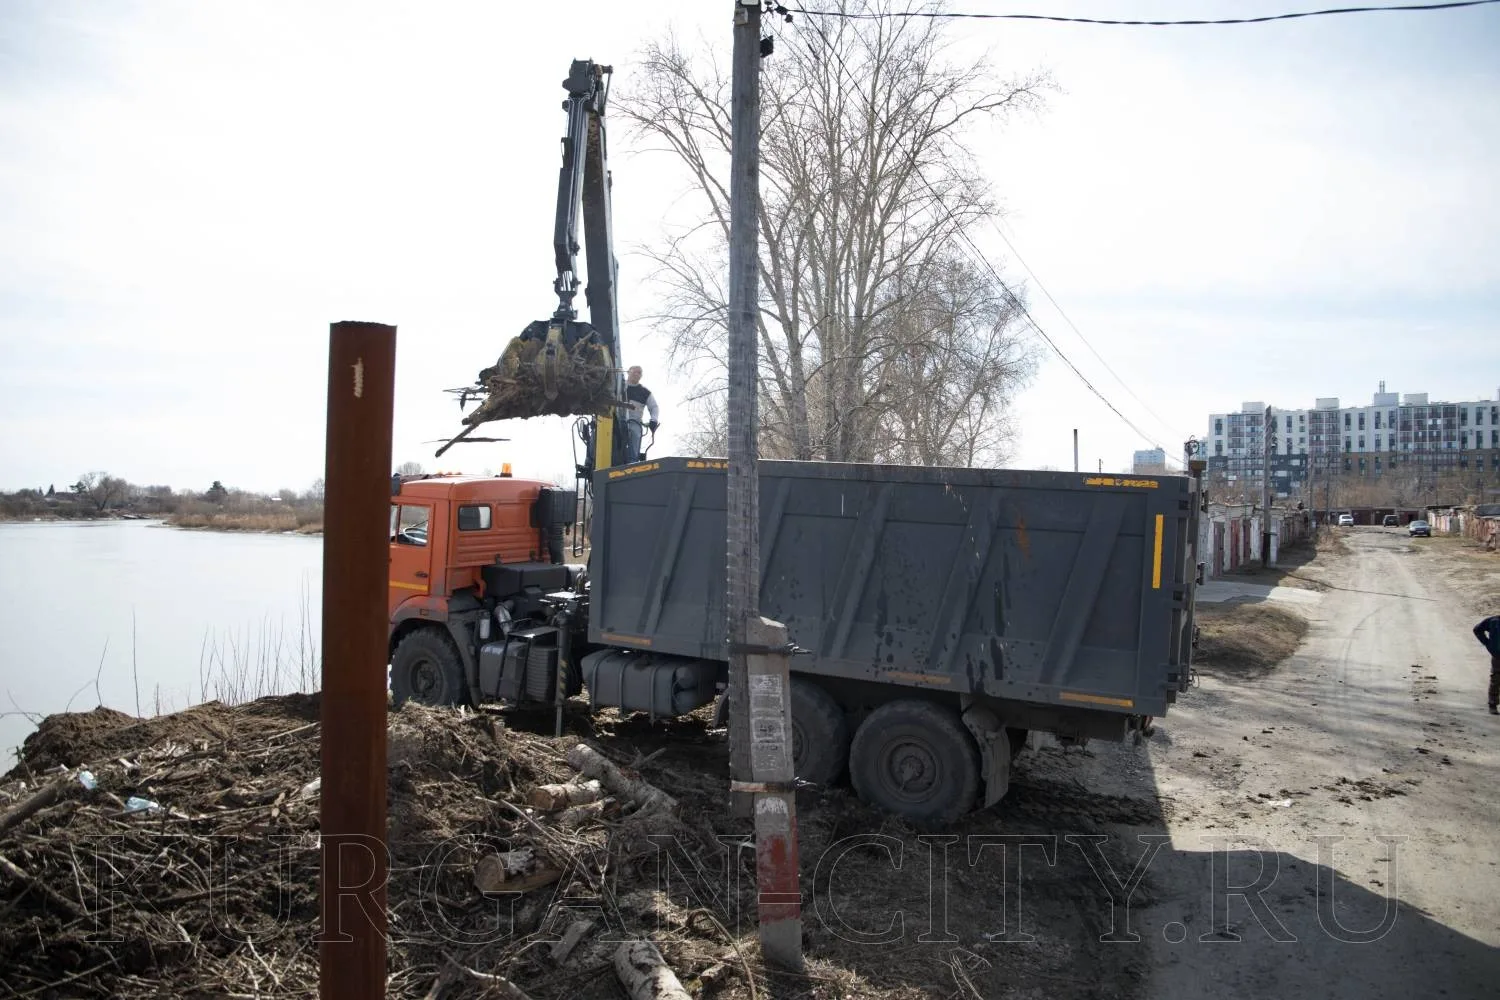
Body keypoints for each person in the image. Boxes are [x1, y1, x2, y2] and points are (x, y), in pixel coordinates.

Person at [624, 366, 660, 461]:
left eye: (639, 373)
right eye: (634, 372)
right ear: (628, 372)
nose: (637, 374)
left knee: (635, 434)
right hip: (615, 420)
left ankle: (632, 461)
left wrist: (654, 419)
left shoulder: (645, 392)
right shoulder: (619, 385)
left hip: (634, 422)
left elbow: (654, 407)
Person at [1474, 613, 1500, 714]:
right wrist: (1488, 644)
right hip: (1498, 655)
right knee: (1496, 679)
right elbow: (1477, 629)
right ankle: (1492, 704)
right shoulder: (1494, 621)